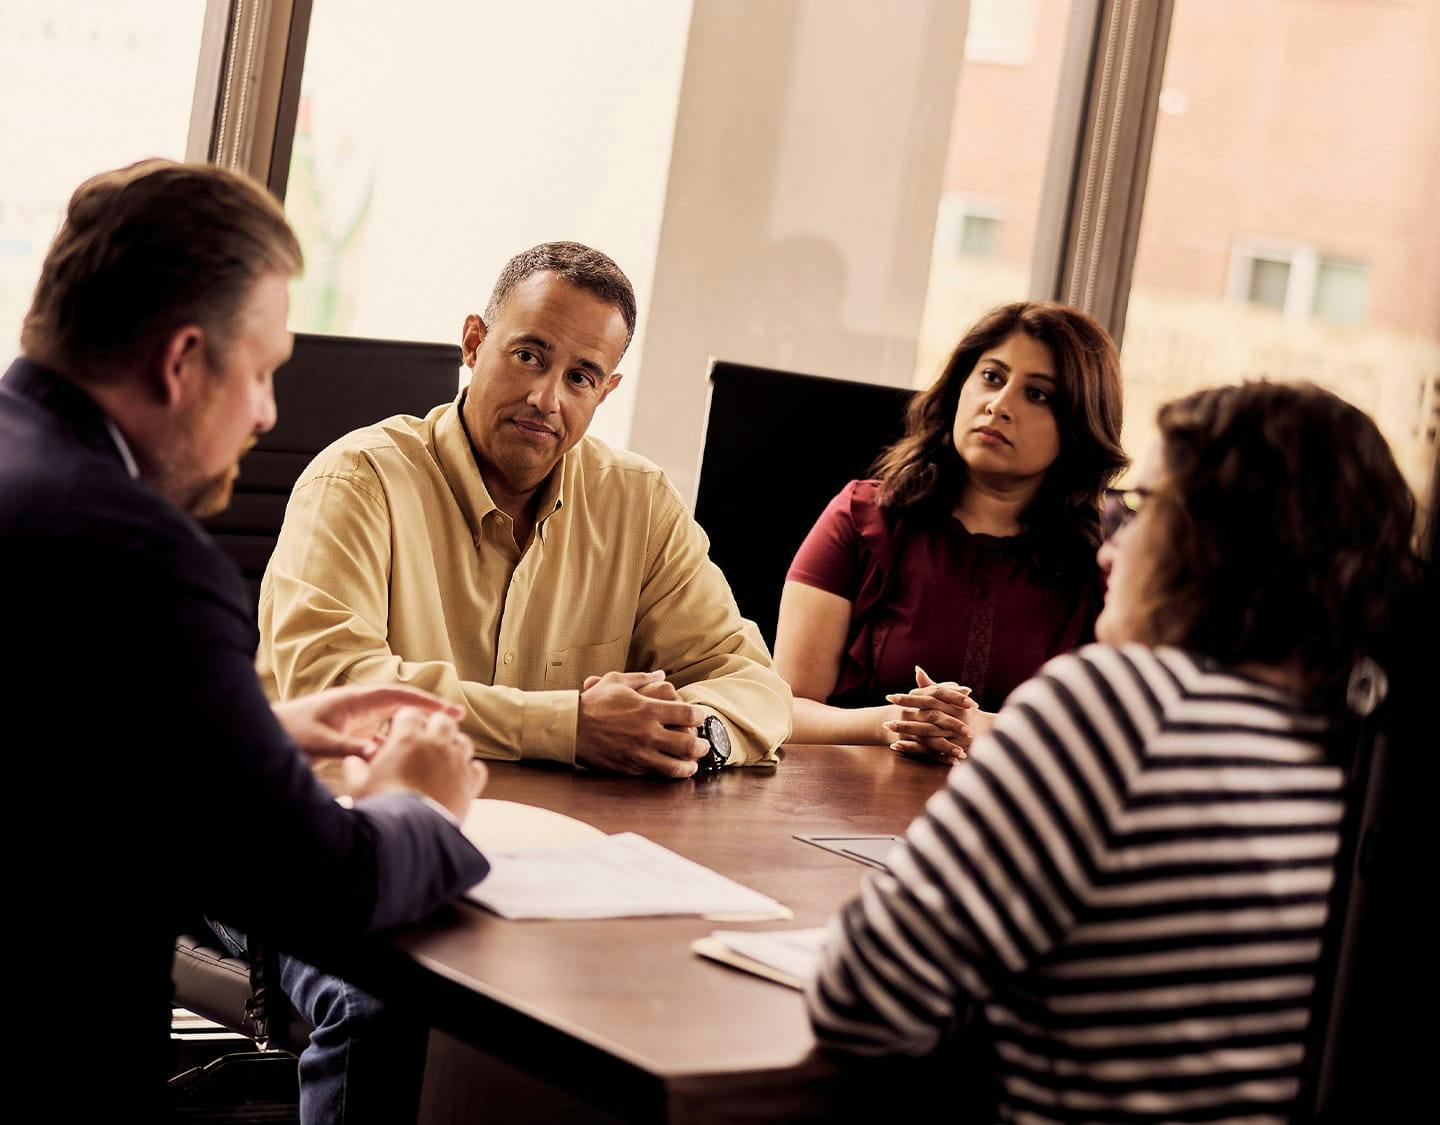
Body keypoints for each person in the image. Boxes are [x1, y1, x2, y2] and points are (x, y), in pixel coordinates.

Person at [0, 160, 490, 1120]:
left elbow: (58, 735)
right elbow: (328, 891)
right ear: (181, 362)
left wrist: (259, 727)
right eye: (263, 371)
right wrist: (423, 803)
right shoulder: (137, 551)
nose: (269, 413)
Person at [807, 381, 1419, 1123]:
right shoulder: (1370, 745)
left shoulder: (1125, 702)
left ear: (1216, 537)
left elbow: (861, 999)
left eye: (1139, 507)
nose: (1111, 544)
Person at [256, 241, 790, 777]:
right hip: (360, 823)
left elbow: (751, 681)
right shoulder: (357, 481)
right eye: (528, 356)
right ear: (473, 343)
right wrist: (571, 726)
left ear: (605, 392)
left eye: (580, 377)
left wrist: (690, 736)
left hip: (559, 836)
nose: (545, 398)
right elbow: (335, 688)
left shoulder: (639, 502)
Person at [774, 301, 1125, 758]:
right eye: (992, 377)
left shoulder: (1106, 559)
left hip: (1013, 815)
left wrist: (987, 727)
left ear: (1078, 425)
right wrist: (891, 721)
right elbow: (784, 709)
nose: (999, 405)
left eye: (1037, 394)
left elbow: (1120, 731)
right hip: (840, 811)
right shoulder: (862, 516)